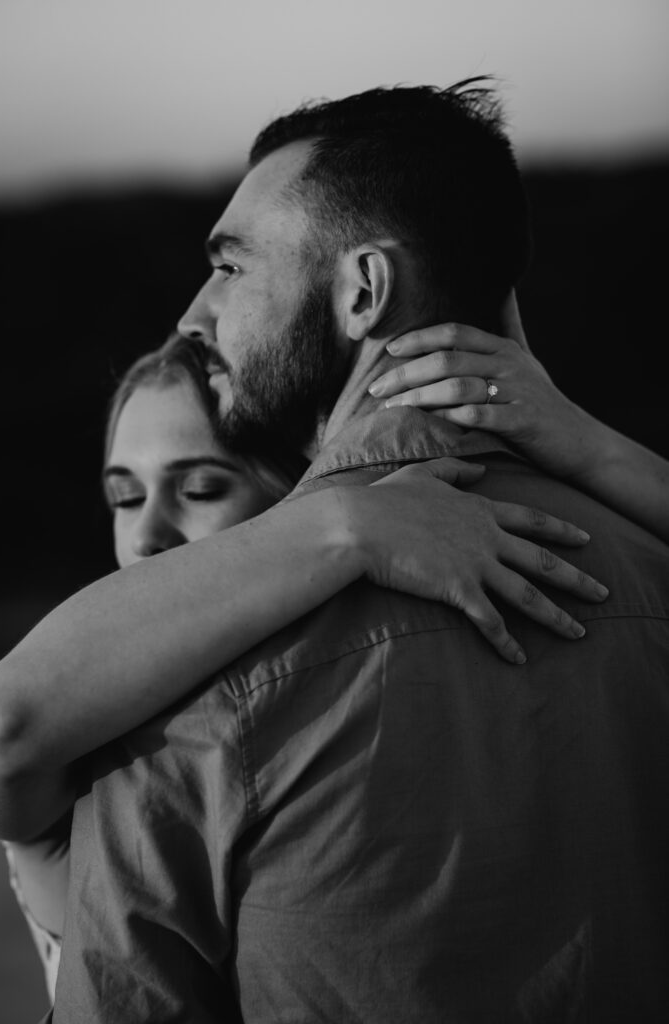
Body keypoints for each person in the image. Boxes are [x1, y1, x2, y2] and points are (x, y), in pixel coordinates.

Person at [41, 80, 669, 1022]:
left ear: (362, 291)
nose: (192, 315)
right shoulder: (649, 565)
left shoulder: (174, 664)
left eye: (232, 267)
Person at [0, 329, 604, 1007]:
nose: (147, 534)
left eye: (198, 488)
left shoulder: (358, 694)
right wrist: (349, 523)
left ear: (292, 489)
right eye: (125, 497)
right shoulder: (80, 732)